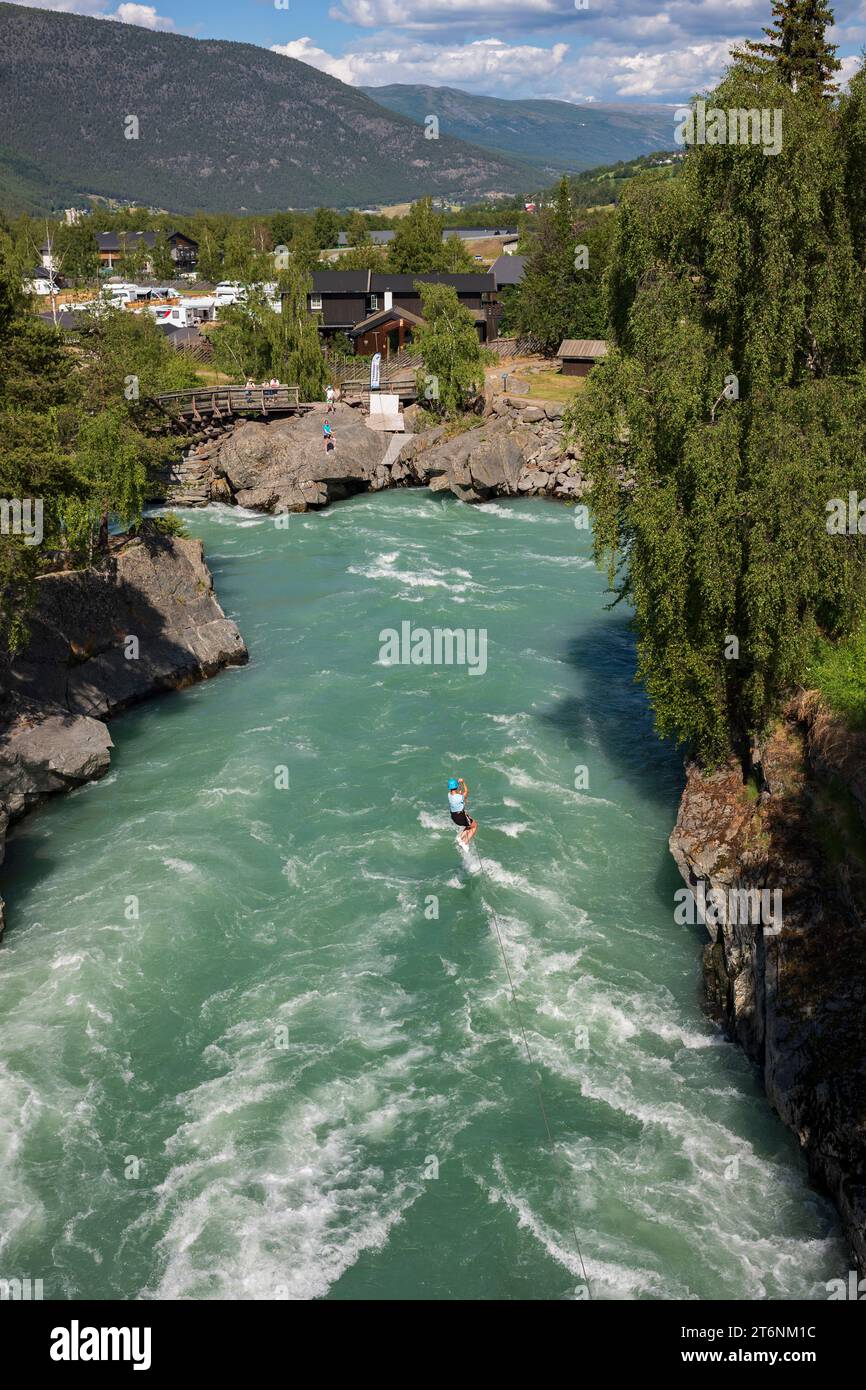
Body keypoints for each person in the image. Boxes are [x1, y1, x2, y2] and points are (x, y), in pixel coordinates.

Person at [447, 777, 477, 846]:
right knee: (475, 826)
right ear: (456, 786)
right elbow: (466, 792)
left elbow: (458, 794)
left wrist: (459, 786)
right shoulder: (459, 797)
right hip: (461, 817)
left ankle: (460, 838)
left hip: (454, 817)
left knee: (468, 825)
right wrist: (463, 782)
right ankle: (464, 842)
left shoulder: (449, 795)